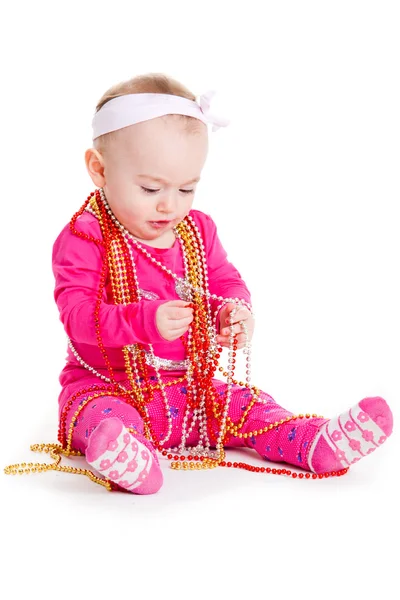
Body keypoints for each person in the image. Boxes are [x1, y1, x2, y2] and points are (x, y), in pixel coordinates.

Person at [8, 73, 393, 493]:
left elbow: (225, 281)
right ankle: (129, 457)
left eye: (187, 188)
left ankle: (313, 441)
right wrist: (143, 320)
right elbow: (77, 317)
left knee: (247, 406)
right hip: (107, 385)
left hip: (188, 391)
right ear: (99, 170)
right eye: (151, 187)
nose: (169, 204)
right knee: (101, 418)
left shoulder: (197, 231)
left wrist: (233, 310)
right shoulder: (86, 237)